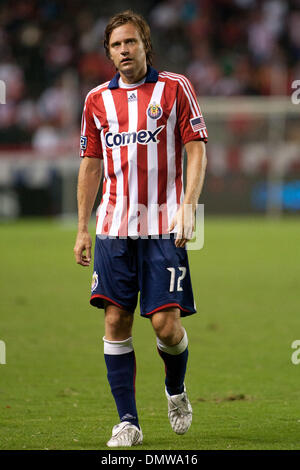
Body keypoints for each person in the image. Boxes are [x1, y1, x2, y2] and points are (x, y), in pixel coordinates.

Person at [74, 10, 207, 448]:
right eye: (116, 45)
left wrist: (189, 205)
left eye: (130, 42)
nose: (124, 50)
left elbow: (196, 148)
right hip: (113, 227)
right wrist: (81, 227)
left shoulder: (175, 87)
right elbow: (90, 165)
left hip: (164, 225)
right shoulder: (96, 100)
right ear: (108, 53)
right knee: (116, 319)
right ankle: (128, 421)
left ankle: (175, 390)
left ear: (145, 43)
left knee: (166, 327)